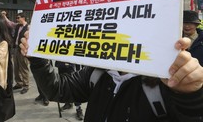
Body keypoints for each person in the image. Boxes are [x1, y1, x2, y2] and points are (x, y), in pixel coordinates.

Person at [20, 32, 203, 122]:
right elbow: (57, 89)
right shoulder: (98, 72)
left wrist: (192, 94)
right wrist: (38, 60)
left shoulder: (168, 82)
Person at [4, 12, 30, 94]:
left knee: (24, 68)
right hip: (15, 49)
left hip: (23, 50)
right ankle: (19, 83)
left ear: (23, 18)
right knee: (16, 68)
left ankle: (26, 85)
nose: (17, 19)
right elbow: (9, 23)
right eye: (17, 18)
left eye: (18, 18)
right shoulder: (17, 26)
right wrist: (4, 16)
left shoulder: (28, 28)